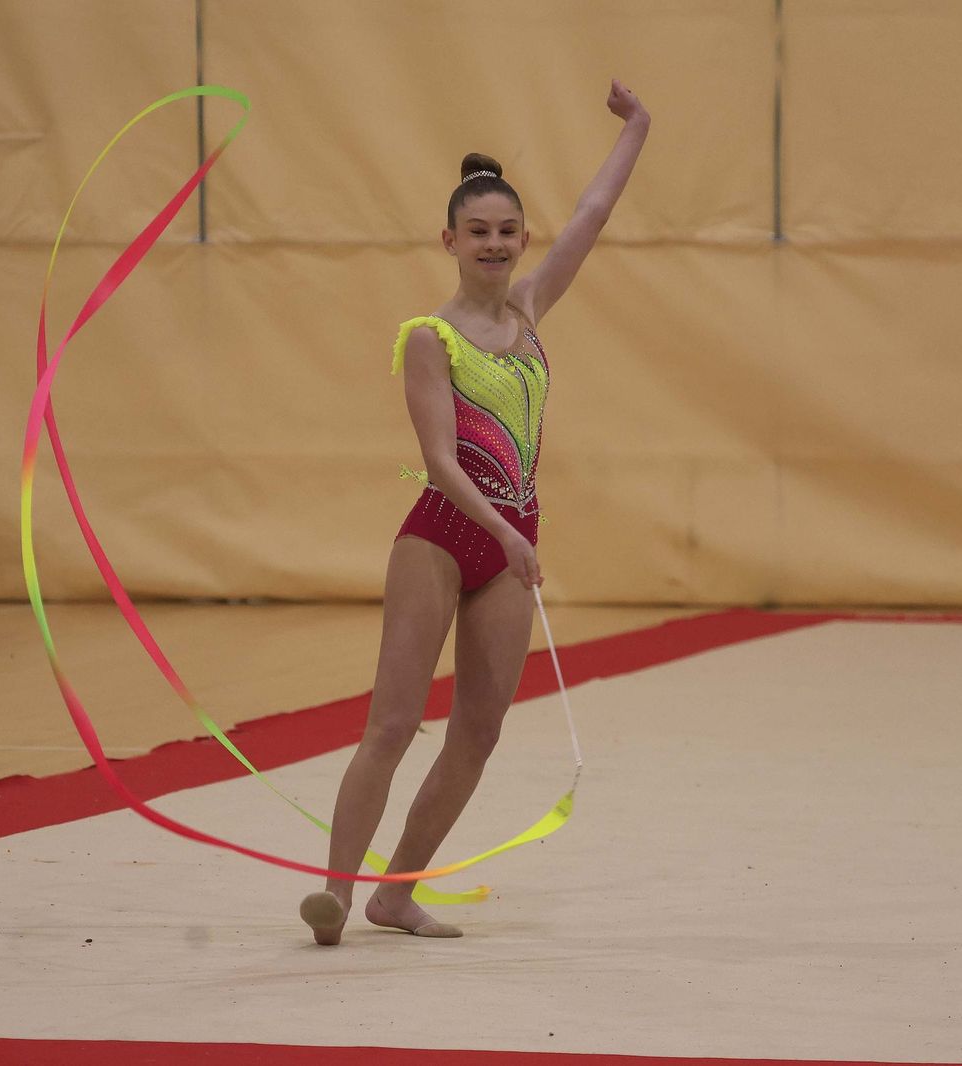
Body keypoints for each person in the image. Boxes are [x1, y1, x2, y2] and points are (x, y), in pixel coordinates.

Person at [299, 79, 650, 946]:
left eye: (506, 232)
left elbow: (595, 214)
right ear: (449, 240)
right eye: (477, 233)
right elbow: (440, 461)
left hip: (511, 544)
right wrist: (500, 531)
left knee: (480, 733)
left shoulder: (531, 308)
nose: (493, 245)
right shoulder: (431, 336)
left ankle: (395, 891)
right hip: (444, 536)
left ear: (520, 239)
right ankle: (335, 896)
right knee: (392, 722)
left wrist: (638, 125)